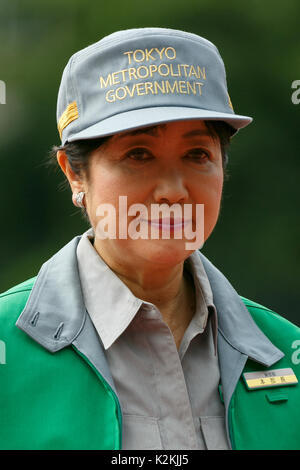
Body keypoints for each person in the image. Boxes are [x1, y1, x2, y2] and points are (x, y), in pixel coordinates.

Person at [0, 27, 299, 451]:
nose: (173, 190)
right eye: (138, 155)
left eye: (197, 155)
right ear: (73, 172)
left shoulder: (286, 352)